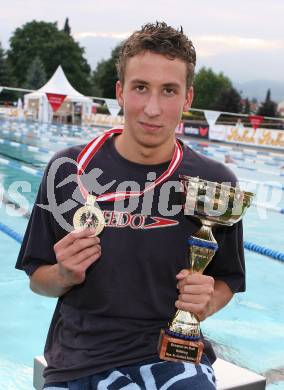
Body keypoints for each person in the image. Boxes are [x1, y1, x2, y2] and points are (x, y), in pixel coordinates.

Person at [16, 22, 245, 390]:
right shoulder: (68, 171)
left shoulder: (215, 183)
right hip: (79, 358)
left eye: (168, 91)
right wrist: (63, 274)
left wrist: (206, 302)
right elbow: (37, 280)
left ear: (187, 99)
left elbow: (228, 279)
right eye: (141, 88)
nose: (152, 108)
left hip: (173, 355)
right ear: (120, 92)